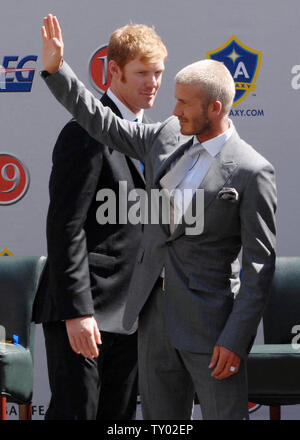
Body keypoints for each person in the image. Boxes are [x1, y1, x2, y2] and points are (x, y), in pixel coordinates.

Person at [40, 14, 277, 420]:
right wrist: (57, 70)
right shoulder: (168, 134)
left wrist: (237, 338)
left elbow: (259, 265)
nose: (172, 106)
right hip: (136, 324)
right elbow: (100, 123)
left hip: (204, 329)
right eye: (147, 75)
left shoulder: (251, 170)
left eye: (183, 101)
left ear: (213, 108)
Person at [33, 19, 167, 420]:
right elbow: (66, 228)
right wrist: (78, 312)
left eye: (158, 73)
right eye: (142, 72)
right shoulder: (85, 133)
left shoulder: (156, 138)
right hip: (84, 312)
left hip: (130, 317)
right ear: (114, 71)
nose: (153, 83)